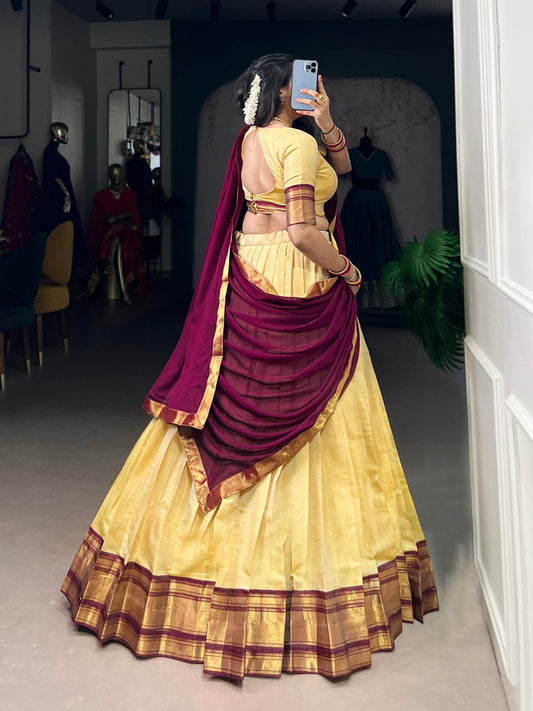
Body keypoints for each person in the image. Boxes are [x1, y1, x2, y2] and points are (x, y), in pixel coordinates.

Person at [62, 54, 438, 680]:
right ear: (284, 91)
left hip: (249, 265)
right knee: (310, 405)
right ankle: (294, 582)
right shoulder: (295, 143)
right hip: (294, 272)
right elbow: (304, 232)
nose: (312, 87)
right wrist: (348, 271)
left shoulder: (251, 140)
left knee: (233, 394)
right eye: (304, 83)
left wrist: (329, 121)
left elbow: (342, 170)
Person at [78, 164, 147, 303]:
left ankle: (107, 267)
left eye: (118, 173)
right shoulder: (101, 196)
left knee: (119, 236)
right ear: (108, 175)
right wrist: (121, 218)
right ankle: (124, 292)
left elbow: (133, 220)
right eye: (113, 173)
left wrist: (117, 219)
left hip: (127, 236)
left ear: (122, 175)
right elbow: (98, 222)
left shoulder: (129, 194)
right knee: (116, 239)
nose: (116, 177)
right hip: (107, 236)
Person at [36, 122, 91, 281]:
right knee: (61, 229)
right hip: (56, 200)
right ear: (57, 133)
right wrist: (66, 194)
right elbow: (54, 175)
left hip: (61, 197)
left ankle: (69, 269)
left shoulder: (53, 152)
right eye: (64, 133)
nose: (67, 136)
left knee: (67, 230)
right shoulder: (49, 152)